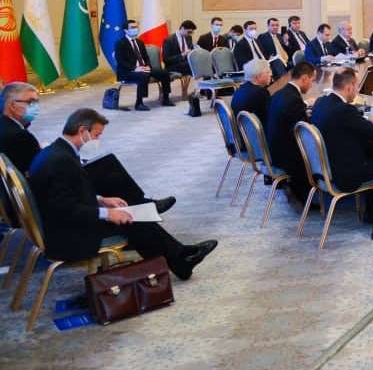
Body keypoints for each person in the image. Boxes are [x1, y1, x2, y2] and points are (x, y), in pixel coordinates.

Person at [28, 109, 215, 281]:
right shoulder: (61, 160)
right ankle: (181, 259)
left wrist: (101, 200)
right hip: (68, 236)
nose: (97, 140)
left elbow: (67, 195)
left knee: (132, 213)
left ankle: (181, 257)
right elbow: (64, 209)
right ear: (82, 130)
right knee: (133, 219)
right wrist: (107, 213)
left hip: (61, 225)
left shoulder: (57, 152)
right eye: (96, 135)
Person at [1, 83, 176, 212]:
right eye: (30, 102)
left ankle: (139, 204)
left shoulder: (7, 126)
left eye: (36, 102)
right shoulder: (18, 135)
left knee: (102, 164)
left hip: (37, 184)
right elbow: (38, 170)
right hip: (45, 193)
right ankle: (140, 205)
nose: (35, 107)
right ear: (12, 105)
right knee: (106, 167)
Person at [309, 69, 373, 239]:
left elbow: (355, 124)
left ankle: (370, 213)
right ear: (349, 87)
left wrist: (369, 121)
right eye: (357, 87)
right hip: (346, 174)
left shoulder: (322, 102)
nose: (357, 91)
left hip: (327, 170)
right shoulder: (344, 111)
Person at [264, 61, 315, 200]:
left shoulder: (280, 93)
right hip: (286, 156)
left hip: (274, 149)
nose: (312, 85)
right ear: (304, 78)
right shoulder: (293, 99)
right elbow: (304, 133)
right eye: (312, 80)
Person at [114, 19, 173, 111]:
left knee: (164, 73)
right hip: (127, 71)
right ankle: (139, 103)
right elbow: (120, 61)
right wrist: (135, 68)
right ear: (126, 30)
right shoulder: (120, 43)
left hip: (143, 68)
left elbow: (146, 57)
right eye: (132, 27)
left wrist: (148, 66)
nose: (135, 29)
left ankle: (166, 98)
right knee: (143, 75)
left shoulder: (139, 42)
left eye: (136, 27)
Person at [231, 59, 271, 127]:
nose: (271, 74)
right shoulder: (260, 93)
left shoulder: (241, 88)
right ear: (257, 76)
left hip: (243, 129)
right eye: (268, 72)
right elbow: (270, 116)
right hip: (257, 131)